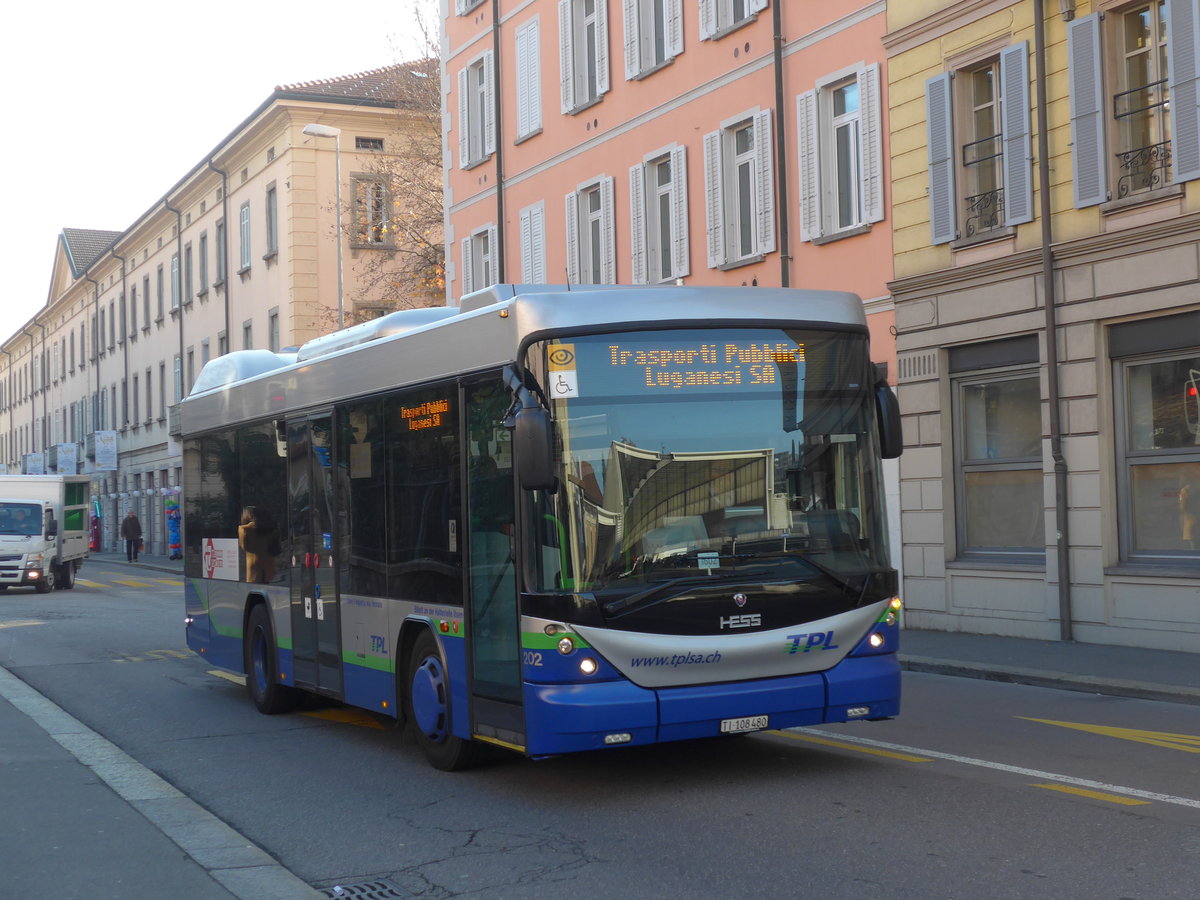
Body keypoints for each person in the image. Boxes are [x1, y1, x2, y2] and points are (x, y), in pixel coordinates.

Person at [239, 506, 281, 583]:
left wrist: (250, 524)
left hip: (255, 573)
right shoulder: (270, 530)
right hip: (269, 570)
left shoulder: (248, 531)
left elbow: (244, 545)